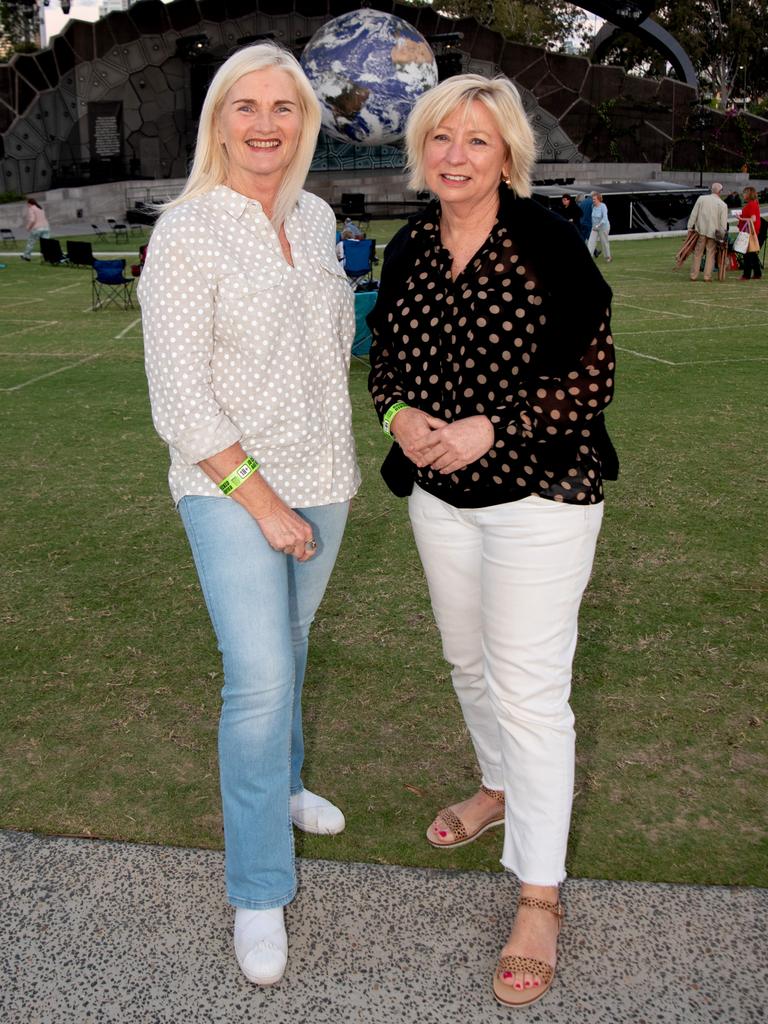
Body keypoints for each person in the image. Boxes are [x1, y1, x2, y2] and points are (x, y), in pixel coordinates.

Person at [368, 73, 617, 1009]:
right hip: (440, 499)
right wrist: (397, 415)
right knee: (468, 664)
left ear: (506, 152)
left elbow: (592, 377)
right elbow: (384, 359)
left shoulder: (549, 243)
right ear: (420, 152)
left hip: (541, 497)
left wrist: (491, 429)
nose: (455, 156)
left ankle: (540, 896)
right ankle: (498, 788)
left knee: (530, 690)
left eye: (475, 140)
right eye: (440, 139)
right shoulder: (409, 247)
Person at [138, 42, 359, 987]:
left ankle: (289, 784)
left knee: (293, 641)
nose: (266, 124)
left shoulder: (314, 218)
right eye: (246, 107)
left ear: (303, 123)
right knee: (259, 673)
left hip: (324, 470)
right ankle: (259, 887)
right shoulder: (188, 230)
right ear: (218, 120)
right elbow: (181, 401)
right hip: (228, 481)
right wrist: (263, 504)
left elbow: (332, 344)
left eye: (283, 107)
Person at [687, 182, 728, 282]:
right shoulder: (722, 204)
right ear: (719, 191)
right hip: (714, 234)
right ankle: (707, 276)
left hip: (701, 231)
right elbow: (723, 224)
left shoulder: (702, 199)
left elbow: (693, 214)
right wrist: (722, 238)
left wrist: (689, 228)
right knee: (710, 254)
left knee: (698, 253)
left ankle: (693, 275)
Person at [738, 185, 762, 281]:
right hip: (749, 231)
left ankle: (747, 275)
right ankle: (757, 273)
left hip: (750, 231)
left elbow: (753, 219)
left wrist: (741, 219)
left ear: (748, 194)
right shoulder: (753, 204)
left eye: (744, 193)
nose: (743, 195)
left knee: (748, 254)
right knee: (751, 253)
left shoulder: (752, 204)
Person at [587, 191, 611, 262]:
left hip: (603, 227)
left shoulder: (603, 206)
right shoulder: (593, 206)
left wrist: (598, 225)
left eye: (594, 199)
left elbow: (605, 218)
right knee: (591, 242)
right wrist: (594, 226)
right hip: (594, 227)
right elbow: (593, 217)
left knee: (604, 242)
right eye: (593, 199)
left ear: (598, 199)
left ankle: (608, 257)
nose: (593, 200)